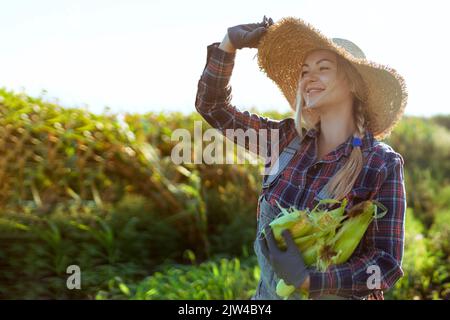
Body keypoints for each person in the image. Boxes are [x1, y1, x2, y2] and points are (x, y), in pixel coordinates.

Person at [195, 15, 407, 300]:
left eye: (323, 68)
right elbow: (213, 108)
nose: (308, 78)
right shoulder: (285, 140)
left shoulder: (380, 164)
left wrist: (310, 280)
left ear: (354, 85)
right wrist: (229, 44)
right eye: (305, 71)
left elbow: (385, 266)